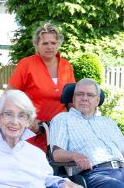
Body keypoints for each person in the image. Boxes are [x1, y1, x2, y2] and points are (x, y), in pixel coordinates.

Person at [8, 22, 75, 151]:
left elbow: (72, 99)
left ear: (58, 44)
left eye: (53, 43)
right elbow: (11, 96)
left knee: (57, 167)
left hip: (59, 130)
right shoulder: (26, 64)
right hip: (32, 128)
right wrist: (27, 118)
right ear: (37, 45)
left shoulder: (66, 65)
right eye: (45, 43)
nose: (49, 47)